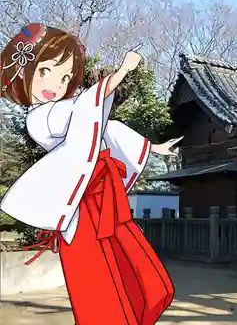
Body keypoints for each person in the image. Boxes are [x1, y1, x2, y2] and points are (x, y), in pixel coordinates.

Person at [0, 24, 178, 325]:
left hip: (101, 196)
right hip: (80, 204)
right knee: (94, 270)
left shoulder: (70, 107)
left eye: (65, 76)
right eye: (45, 72)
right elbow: (88, 110)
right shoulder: (39, 118)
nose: (55, 83)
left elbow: (104, 125)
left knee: (128, 260)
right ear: (25, 72)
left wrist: (153, 148)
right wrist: (121, 71)